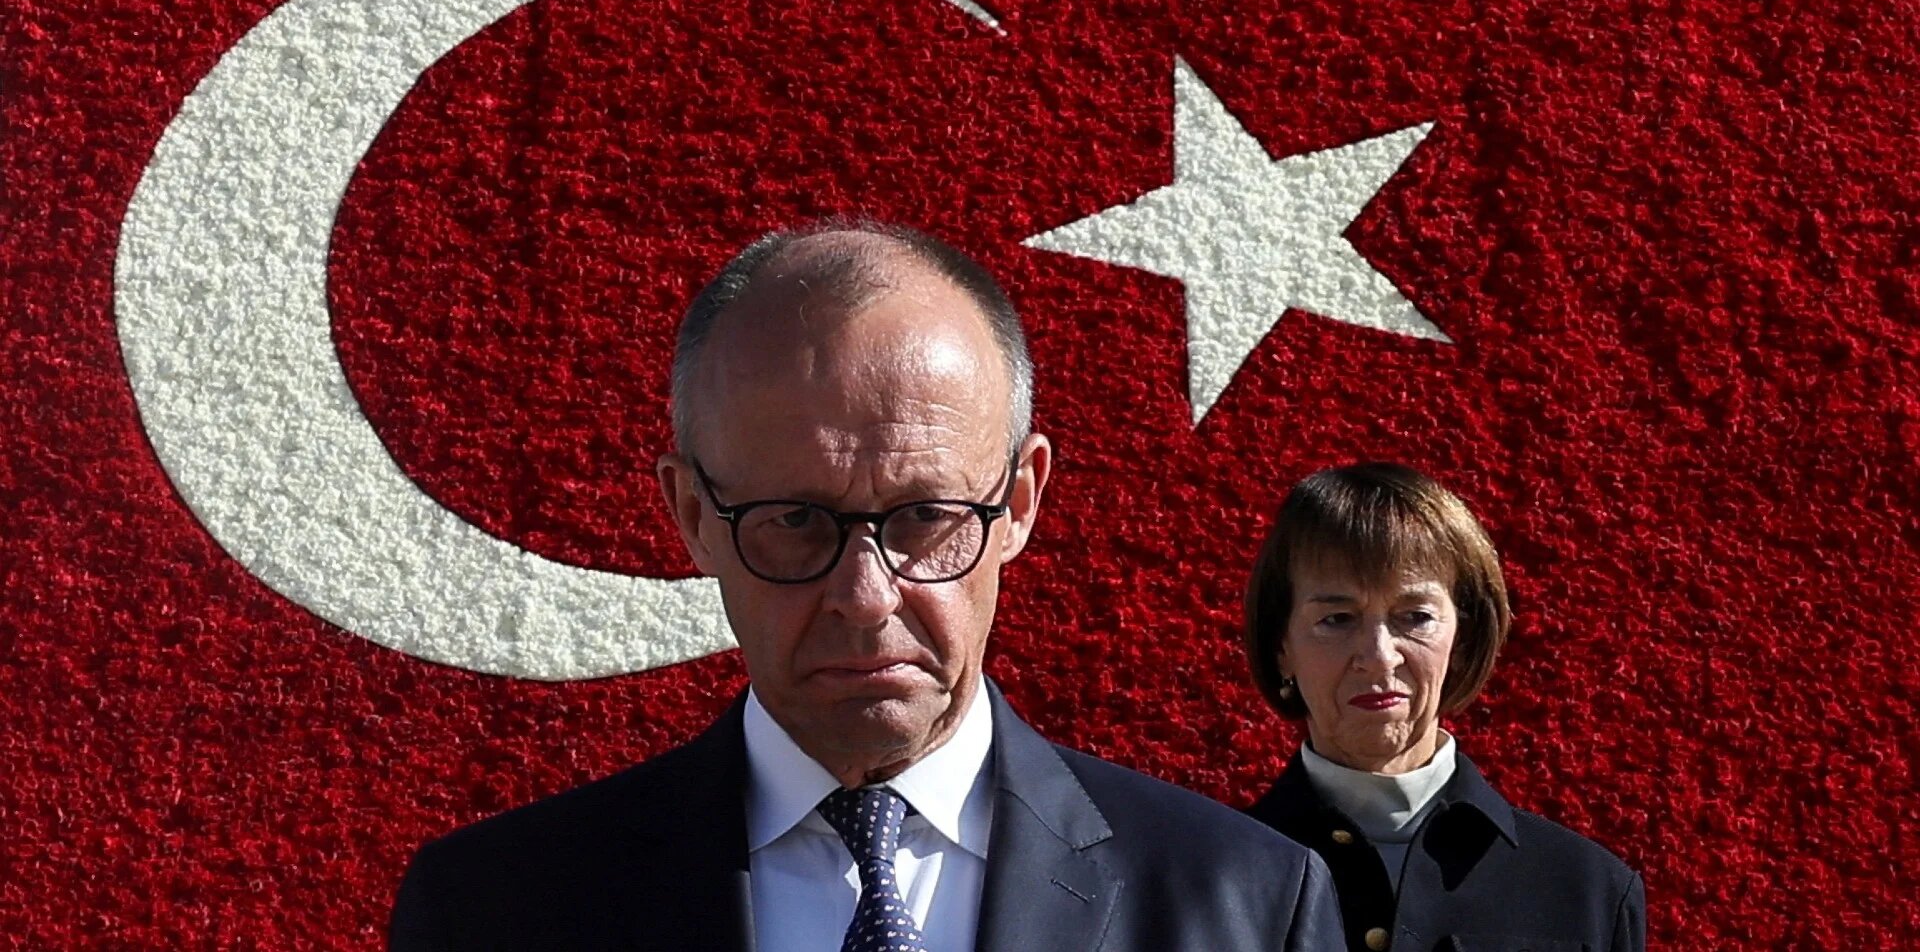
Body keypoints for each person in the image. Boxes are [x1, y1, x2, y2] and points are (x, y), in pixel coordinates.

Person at [390, 221, 1341, 950]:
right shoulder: (496, 910)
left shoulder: (1246, 905)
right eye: (796, 522)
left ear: (1019, 501)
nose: (867, 595)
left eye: (925, 519)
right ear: (689, 515)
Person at [1241, 462, 1645, 952]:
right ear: (1282, 644)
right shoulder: (1208, 874)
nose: (1379, 656)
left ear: (1463, 638)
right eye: (1337, 618)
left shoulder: (1587, 891)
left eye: (1414, 617)